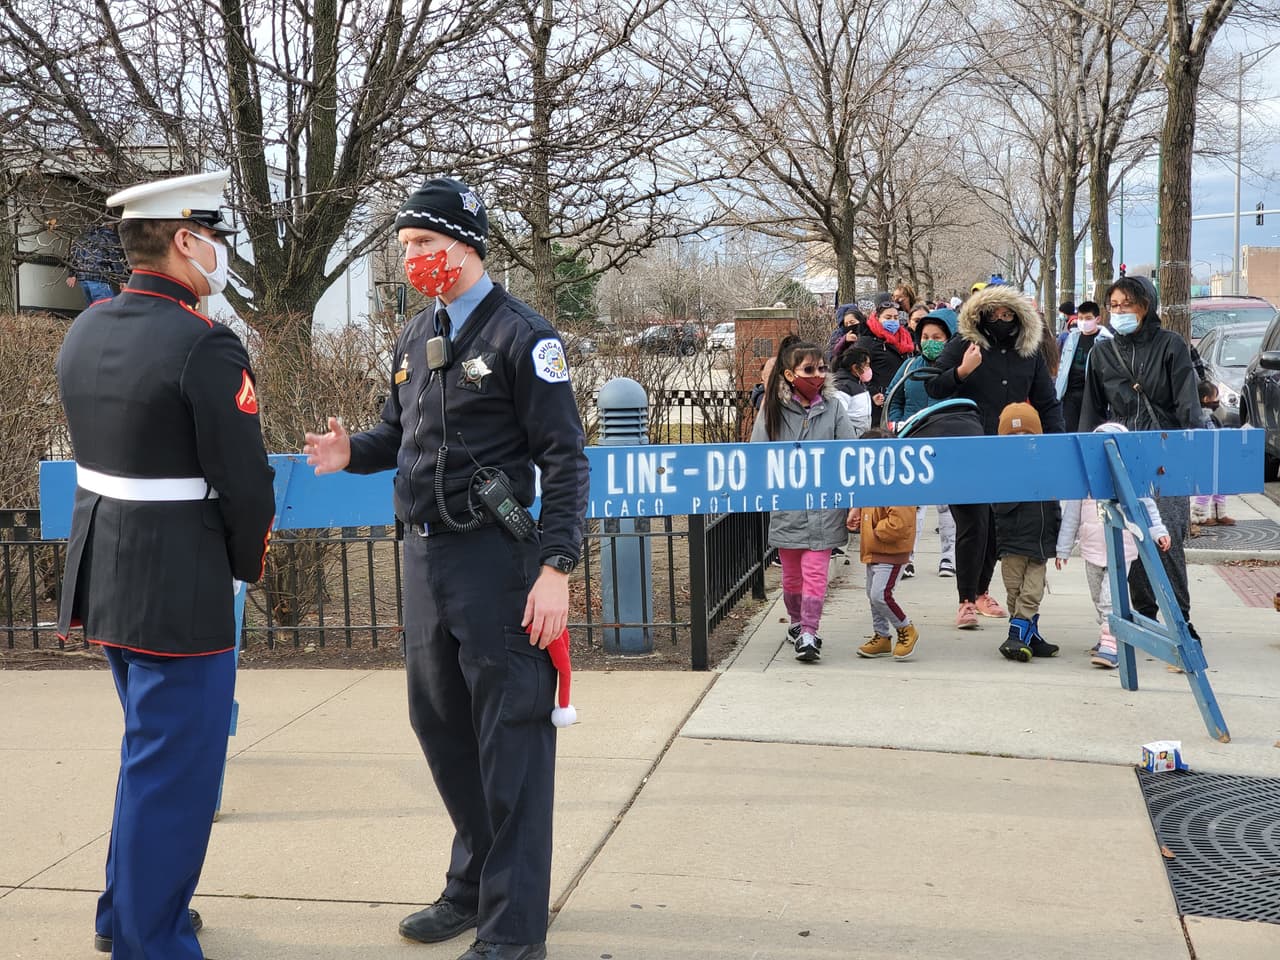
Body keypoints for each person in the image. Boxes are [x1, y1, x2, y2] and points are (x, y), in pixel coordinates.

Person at [304, 177, 588, 960]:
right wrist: (349, 452)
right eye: (405, 248)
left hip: (500, 563)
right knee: (442, 728)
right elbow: (400, 435)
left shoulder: (523, 337)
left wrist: (557, 567)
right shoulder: (414, 336)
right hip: (427, 560)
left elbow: (565, 460)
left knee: (513, 744)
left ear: (467, 245)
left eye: (424, 244)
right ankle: (471, 885)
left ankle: (512, 935)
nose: (413, 259)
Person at [55, 170, 275, 959]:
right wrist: (246, 562)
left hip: (105, 574)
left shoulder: (88, 326)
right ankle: (152, 941)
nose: (219, 254)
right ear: (185, 239)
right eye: (214, 238)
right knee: (175, 777)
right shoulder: (203, 342)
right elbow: (245, 480)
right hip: (179, 588)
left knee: (148, 758)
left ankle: (127, 912)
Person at [925, 282, 1064, 629]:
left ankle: (983, 591)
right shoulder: (964, 345)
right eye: (995, 314)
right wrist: (962, 371)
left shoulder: (1028, 353)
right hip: (966, 445)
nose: (1001, 320)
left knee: (998, 524)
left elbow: (1047, 403)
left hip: (1010, 451)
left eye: (1008, 314)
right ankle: (965, 600)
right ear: (982, 315)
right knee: (974, 522)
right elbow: (932, 385)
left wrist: (1056, 445)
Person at [1078, 276, 1201, 641]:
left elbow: (1187, 405)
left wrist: (1188, 456)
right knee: (1129, 536)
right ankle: (1140, 615)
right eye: (1113, 305)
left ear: (1146, 306)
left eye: (1126, 304)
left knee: (1166, 537)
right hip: (1121, 455)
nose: (1119, 312)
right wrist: (1089, 462)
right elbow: (1091, 410)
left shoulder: (1171, 346)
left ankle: (1180, 622)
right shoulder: (1100, 353)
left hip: (1166, 453)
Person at [750, 335, 857, 662]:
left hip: (825, 509)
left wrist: (853, 500)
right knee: (792, 577)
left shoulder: (834, 407)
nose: (818, 375)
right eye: (809, 369)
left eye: (822, 368)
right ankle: (796, 620)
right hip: (789, 509)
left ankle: (810, 631)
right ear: (789, 374)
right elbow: (758, 455)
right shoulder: (771, 411)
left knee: (815, 573)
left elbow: (849, 455)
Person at [1057, 423, 1171, 668]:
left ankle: (1112, 644)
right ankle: (1107, 632)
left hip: (1122, 549)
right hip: (1091, 551)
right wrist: (1063, 548)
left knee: (1111, 598)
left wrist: (1158, 531)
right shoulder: (1086, 483)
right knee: (1098, 598)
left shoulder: (1131, 482)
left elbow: (1147, 509)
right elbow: (1071, 517)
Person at [885, 307, 958, 578]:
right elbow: (895, 398)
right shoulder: (908, 367)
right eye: (926, 336)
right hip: (912, 441)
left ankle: (949, 558)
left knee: (947, 504)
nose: (930, 341)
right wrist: (895, 423)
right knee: (912, 504)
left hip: (946, 442)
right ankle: (908, 557)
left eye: (937, 336)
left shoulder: (957, 369)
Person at [992, 403, 1062, 662]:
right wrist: (1022, 484)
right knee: (1014, 591)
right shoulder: (1002, 471)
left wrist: (1058, 538)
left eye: (1026, 436)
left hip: (1040, 544)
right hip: (1012, 543)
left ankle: (1019, 632)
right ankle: (1025, 634)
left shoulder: (1045, 467)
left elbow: (1054, 503)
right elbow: (998, 507)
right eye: (1012, 437)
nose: (1020, 442)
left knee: (1032, 591)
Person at [852, 429, 920, 661]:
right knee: (872, 595)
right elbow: (871, 510)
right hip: (874, 550)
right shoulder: (875, 482)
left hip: (891, 551)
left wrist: (872, 529)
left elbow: (898, 524)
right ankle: (881, 636)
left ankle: (905, 628)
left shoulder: (897, 484)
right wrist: (859, 515)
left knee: (881, 594)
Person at [852, 294, 914, 426]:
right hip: (879, 404)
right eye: (888, 317)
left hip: (902, 401)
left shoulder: (905, 339)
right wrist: (872, 392)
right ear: (877, 318)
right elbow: (855, 371)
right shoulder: (867, 342)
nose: (893, 321)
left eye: (896, 318)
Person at [1054, 301, 1109, 432]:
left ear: (1097, 319)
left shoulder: (1105, 341)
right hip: (1070, 394)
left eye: (1088, 318)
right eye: (1081, 318)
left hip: (1091, 395)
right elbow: (1063, 365)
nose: (1084, 322)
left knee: (1089, 430)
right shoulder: (1072, 338)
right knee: (1068, 430)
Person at [1191, 380, 1233, 532]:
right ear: (1206, 399)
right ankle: (1199, 515)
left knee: (1221, 482)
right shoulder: (1203, 416)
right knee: (1207, 484)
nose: (1218, 400)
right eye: (1216, 397)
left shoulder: (1208, 415)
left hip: (1214, 454)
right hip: (1207, 455)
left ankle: (1219, 513)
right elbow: (1210, 435)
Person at [66, 224, 128, 306]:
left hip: (84, 280)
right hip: (99, 279)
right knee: (107, 311)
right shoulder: (109, 236)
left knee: (93, 312)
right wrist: (122, 279)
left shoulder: (85, 235)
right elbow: (115, 259)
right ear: (110, 224)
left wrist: (72, 274)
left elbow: (75, 254)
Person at [830, 344, 873, 436]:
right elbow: (839, 418)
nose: (869, 369)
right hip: (851, 438)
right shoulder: (842, 387)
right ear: (855, 367)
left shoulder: (858, 383)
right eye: (867, 365)